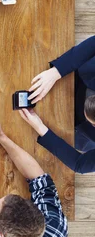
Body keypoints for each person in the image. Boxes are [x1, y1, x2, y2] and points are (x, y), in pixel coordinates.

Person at [18, 35, 95, 173]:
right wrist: (56, 71)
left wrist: (41, 128)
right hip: (80, 75)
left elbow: (79, 164)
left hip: (76, 125)